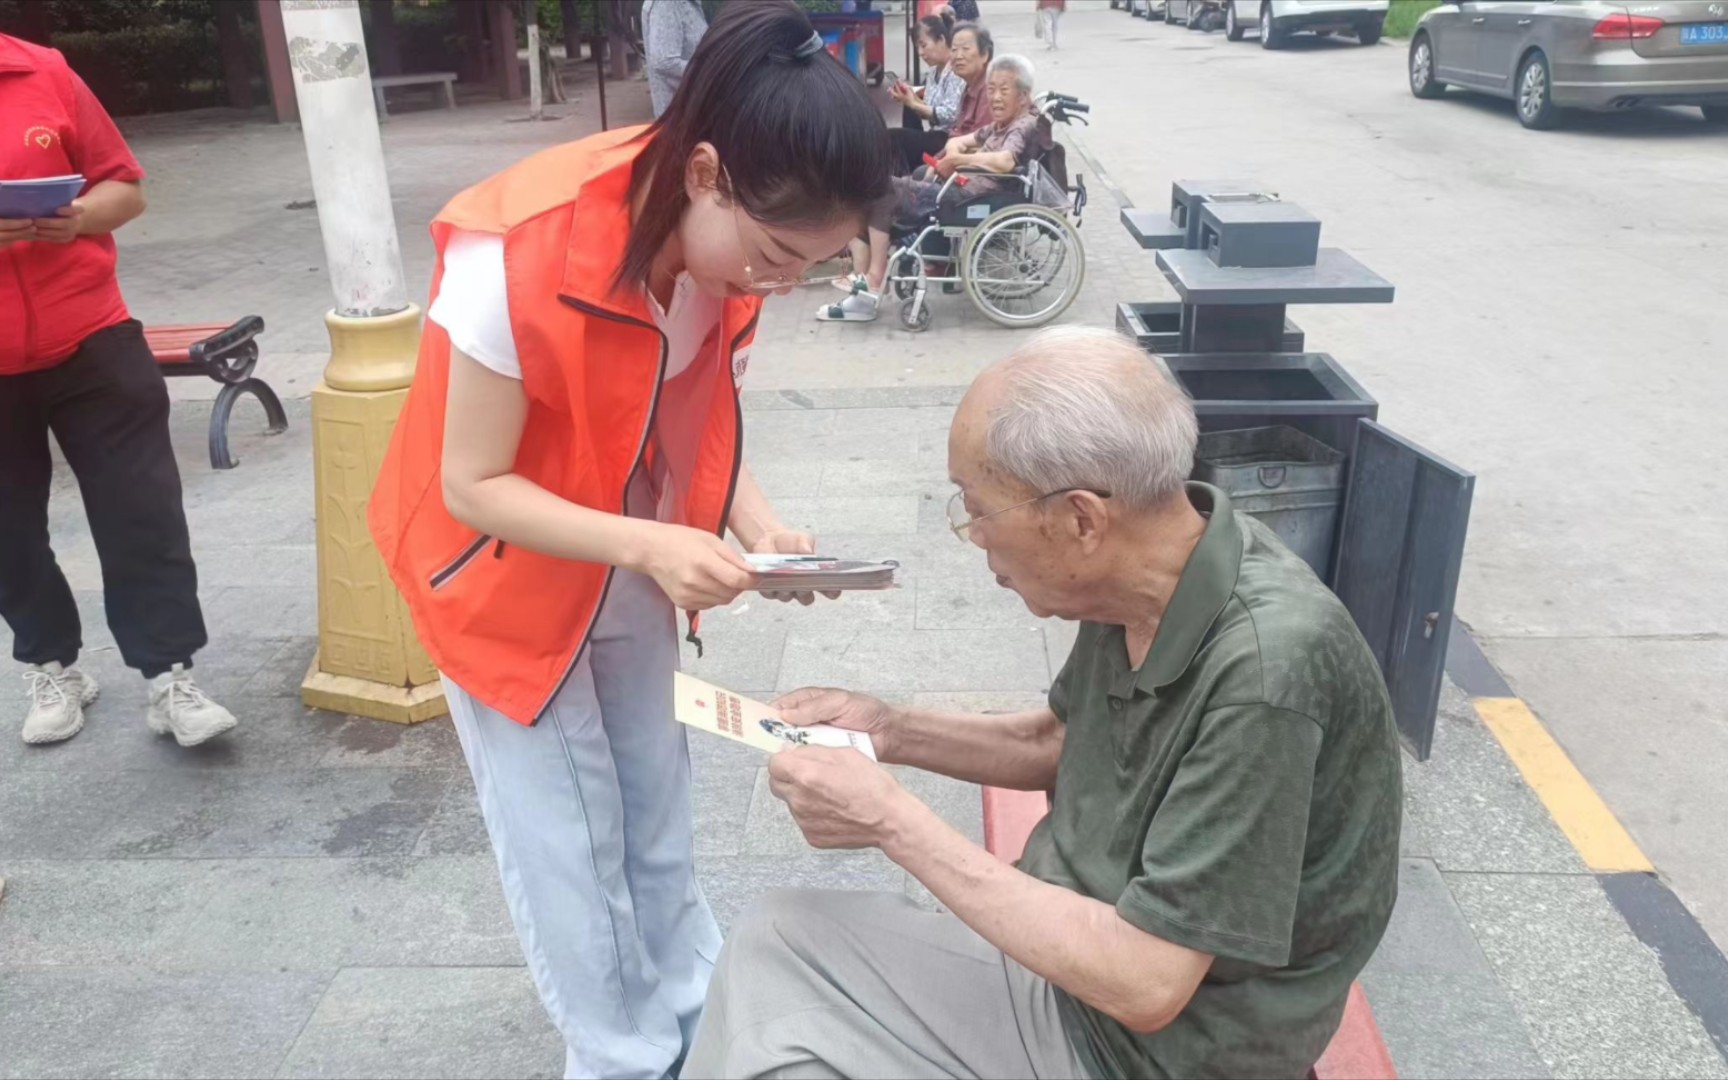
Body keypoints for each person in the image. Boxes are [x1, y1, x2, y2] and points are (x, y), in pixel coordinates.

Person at [366, 4, 890, 1077]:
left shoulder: (721, 256)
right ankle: (620, 1055)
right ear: (705, 172)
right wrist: (650, 546)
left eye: (810, 267)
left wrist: (757, 524)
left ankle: (696, 1012)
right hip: (503, 579)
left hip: (626, 557)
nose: (779, 285)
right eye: (774, 255)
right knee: (571, 842)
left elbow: (686, 416)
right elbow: (473, 484)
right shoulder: (515, 248)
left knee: (657, 799)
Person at [683, 327, 1403, 1079]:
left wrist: (889, 820)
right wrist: (890, 728)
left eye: (976, 509)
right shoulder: (1158, 565)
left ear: (1081, 519)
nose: (971, 539)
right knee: (774, 939)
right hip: (1073, 955)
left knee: (778, 1039)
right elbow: (1056, 740)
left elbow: (1148, 983)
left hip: (1143, 1047)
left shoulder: (1265, 675)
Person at [1, 32, 238, 749]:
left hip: (92, 337)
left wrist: (75, 218)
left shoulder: (41, 71)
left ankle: (169, 677)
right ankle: (52, 665)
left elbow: (124, 188)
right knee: (7, 531)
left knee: (141, 514)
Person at [818, 53, 1041, 324]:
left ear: (1024, 95)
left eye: (1003, 90)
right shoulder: (1001, 124)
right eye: (991, 89)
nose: (994, 97)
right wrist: (954, 152)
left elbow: (1005, 160)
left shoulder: (1022, 126)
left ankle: (873, 281)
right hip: (959, 188)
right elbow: (958, 141)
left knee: (881, 192)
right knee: (872, 193)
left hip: (968, 197)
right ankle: (867, 286)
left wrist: (961, 160)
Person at [888, 20, 993, 176]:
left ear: (984, 55)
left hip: (963, 157)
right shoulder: (953, 80)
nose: (957, 56)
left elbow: (977, 137)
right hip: (951, 145)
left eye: (965, 49)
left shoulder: (987, 88)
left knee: (895, 139)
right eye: (955, 49)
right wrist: (910, 100)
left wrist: (946, 158)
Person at [642, 0, 708, 118]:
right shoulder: (667, 4)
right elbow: (664, 62)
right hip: (680, 119)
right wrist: (709, 72)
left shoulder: (688, 4)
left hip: (695, 111)